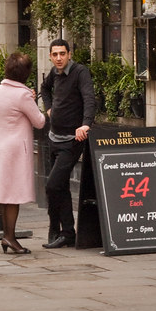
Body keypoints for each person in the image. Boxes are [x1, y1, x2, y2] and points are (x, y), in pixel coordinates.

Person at [0, 51, 46, 255]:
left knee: (5, 194)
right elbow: (39, 121)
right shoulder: (22, 95)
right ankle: (10, 237)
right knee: (13, 196)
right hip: (15, 150)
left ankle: (7, 235)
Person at [39, 38, 96, 249]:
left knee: (53, 184)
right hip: (54, 137)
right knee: (58, 186)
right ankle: (65, 233)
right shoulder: (54, 73)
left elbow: (90, 99)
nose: (59, 58)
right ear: (51, 56)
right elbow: (44, 89)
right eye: (55, 55)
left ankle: (58, 230)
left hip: (72, 140)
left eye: (62, 54)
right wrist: (49, 108)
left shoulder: (80, 72)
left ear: (69, 54)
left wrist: (85, 125)